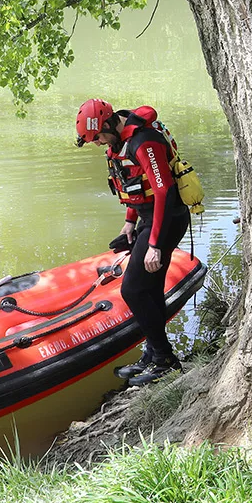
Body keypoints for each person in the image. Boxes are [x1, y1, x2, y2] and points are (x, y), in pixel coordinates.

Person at [76, 99, 192, 387]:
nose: (98, 143)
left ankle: (165, 360)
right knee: (149, 288)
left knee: (133, 290)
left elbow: (163, 191)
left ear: (108, 123)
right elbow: (134, 184)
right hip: (150, 217)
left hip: (167, 218)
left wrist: (154, 244)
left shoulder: (144, 142)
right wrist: (130, 222)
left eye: (98, 137)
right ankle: (154, 354)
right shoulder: (121, 143)